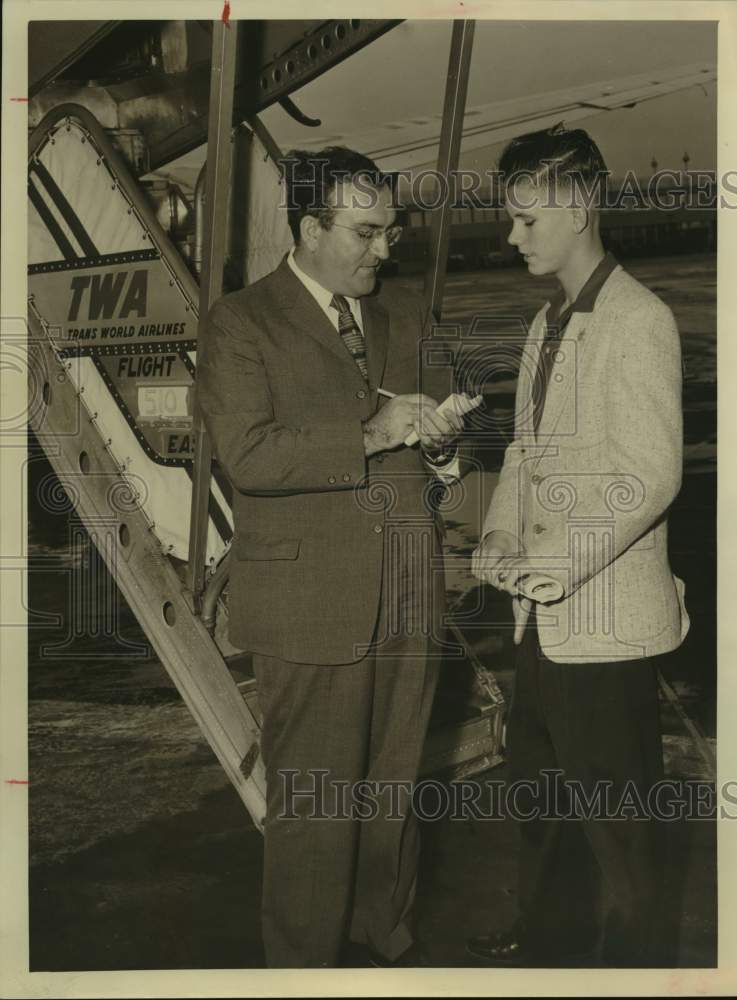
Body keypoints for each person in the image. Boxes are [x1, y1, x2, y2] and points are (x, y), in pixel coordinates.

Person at [197, 146, 464, 968]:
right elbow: (250, 455)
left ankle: (385, 947)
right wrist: (372, 433)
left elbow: (443, 430)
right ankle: (303, 969)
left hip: (409, 597)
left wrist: (448, 439)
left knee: (393, 791)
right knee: (315, 809)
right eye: (365, 232)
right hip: (310, 606)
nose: (384, 250)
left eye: (389, 231)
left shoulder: (404, 313)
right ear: (310, 228)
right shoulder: (240, 323)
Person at [468, 126, 690, 968]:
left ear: (580, 205)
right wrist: (497, 526)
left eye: (527, 219)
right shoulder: (547, 322)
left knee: (623, 837)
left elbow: (651, 474)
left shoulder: (640, 319)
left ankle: (638, 974)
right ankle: (552, 959)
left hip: (603, 625)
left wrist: (557, 566)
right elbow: (526, 451)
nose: (512, 235)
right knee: (545, 810)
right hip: (544, 627)